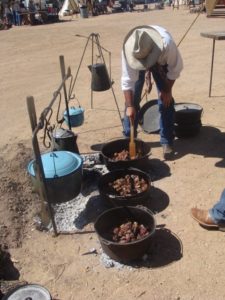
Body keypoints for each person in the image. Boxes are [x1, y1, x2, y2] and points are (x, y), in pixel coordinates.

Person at [121, 25, 183, 159]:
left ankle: (167, 141)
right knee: (131, 102)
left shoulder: (167, 45)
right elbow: (127, 81)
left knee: (165, 101)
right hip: (138, 61)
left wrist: (167, 90)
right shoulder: (128, 49)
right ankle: (129, 138)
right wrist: (131, 105)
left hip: (161, 62)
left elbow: (175, 69)